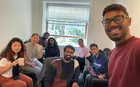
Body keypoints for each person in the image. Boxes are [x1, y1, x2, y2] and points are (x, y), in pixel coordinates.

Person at [102, 4, 140, 87]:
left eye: (118, 19)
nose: (112, 24)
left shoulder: (138, 46)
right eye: (107, 21)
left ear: (129, 21)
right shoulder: (112, 52)